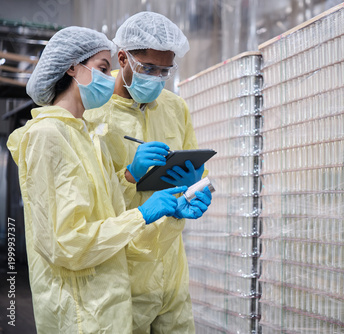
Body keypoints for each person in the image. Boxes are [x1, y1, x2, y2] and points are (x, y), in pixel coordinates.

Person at [7, 26, 211, 333]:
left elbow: (105, 205)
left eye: (164, 71)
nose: (108, 77)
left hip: (125, 284)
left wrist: (183, 199)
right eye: (104, 69)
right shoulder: (53, 134)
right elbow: (66, 242)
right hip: (88, 297)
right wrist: (141, 209)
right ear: (72, 68)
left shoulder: (86, 134)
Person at [85, 12, 206, 333]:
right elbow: (85, 202)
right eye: (148, 68)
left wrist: (195, 188)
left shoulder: (174, 107)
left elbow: (191, 163)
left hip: (170, 260)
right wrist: (129, 175)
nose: (156, 78)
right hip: (121, 264)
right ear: (122, 57)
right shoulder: (93, 108)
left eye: (164, 71)